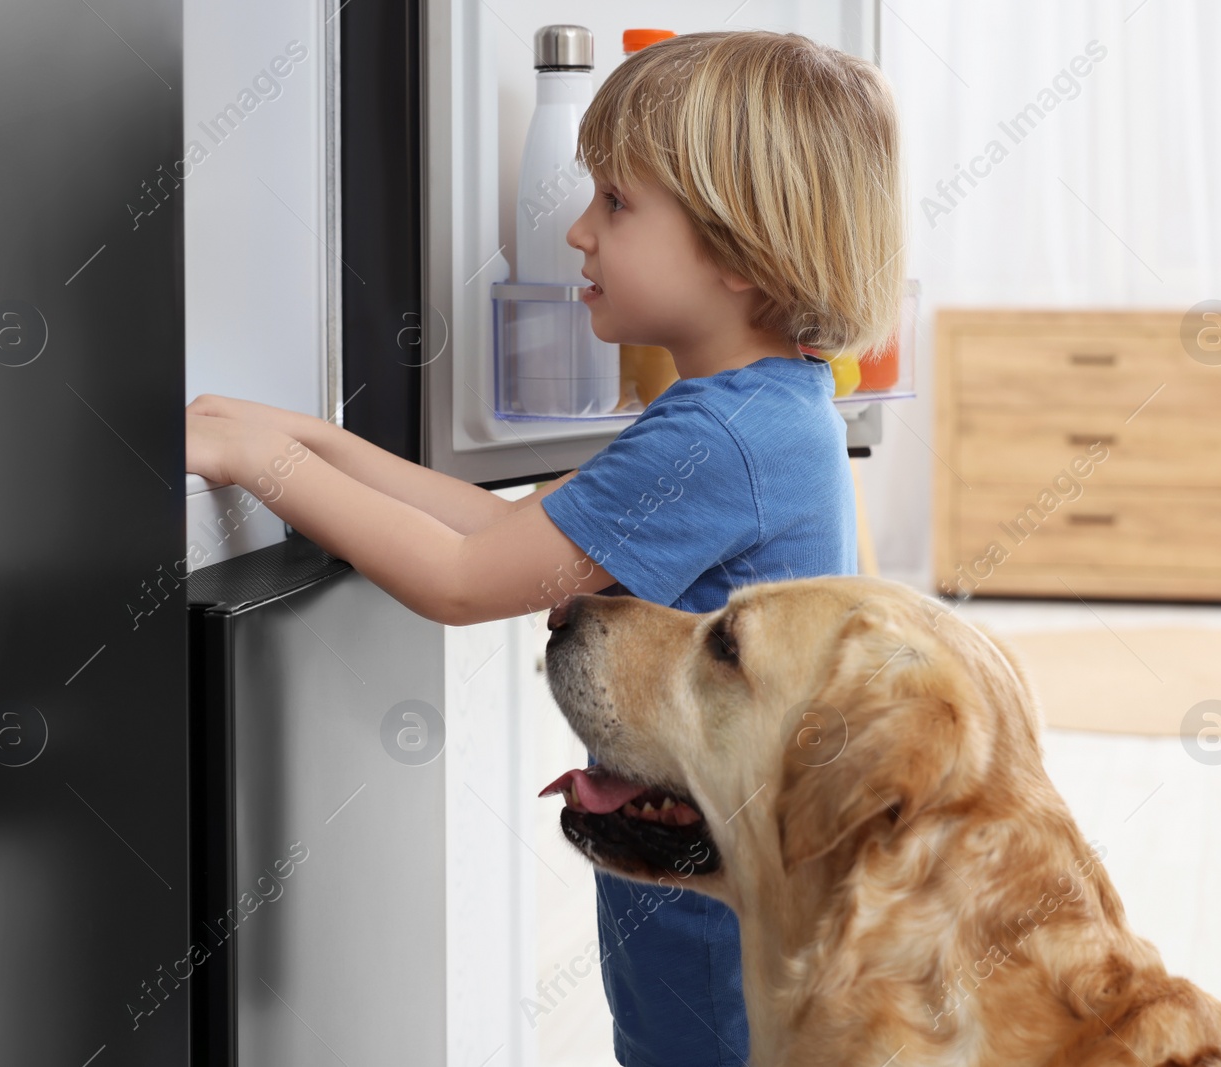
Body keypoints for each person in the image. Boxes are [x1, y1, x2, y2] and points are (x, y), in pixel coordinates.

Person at [185, 27, 904, 1066]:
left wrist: (269, 466)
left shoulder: (717, 437)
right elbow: (498, 524)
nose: (577, 232)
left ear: (741, 251)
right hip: (724, 903)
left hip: (717, 935)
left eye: (615, 202)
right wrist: (314, 439)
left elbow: (465, 578)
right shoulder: (761, 408)